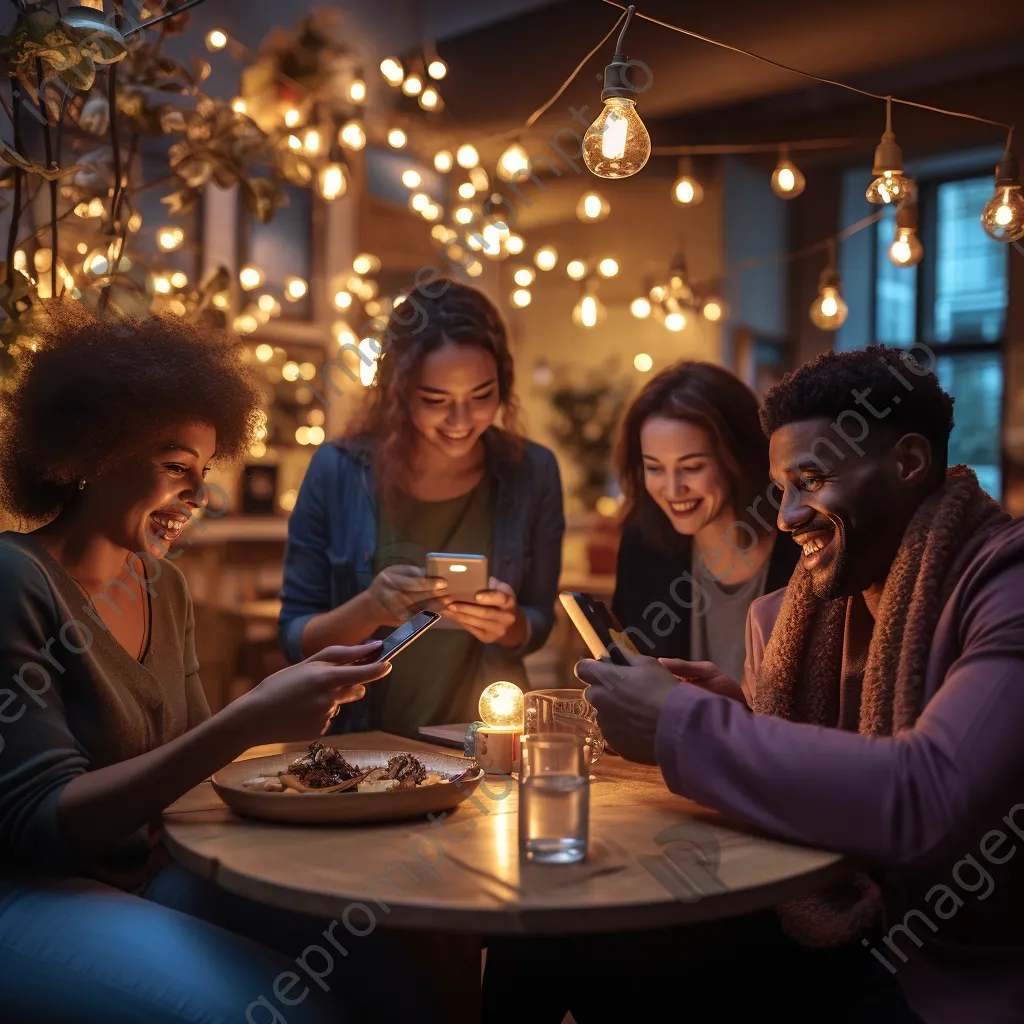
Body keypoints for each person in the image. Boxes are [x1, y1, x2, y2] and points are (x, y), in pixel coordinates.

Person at [0, 306, 442, 1024]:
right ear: (88, 451)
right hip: (32, 893)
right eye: (177, 468)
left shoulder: (163, 586)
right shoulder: (15, 579)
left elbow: (199, 776)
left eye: (204, 473)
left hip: (147, 874)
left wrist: (287, 713)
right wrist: (251, 716)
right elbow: (47, 824)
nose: (199, 498)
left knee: (399, 977)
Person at [576, 345, 1024, 1023]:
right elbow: (835, 757)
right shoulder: (794, 612)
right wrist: (741, 713)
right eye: (782, 487)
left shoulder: (1007, 582)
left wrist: (684, 724)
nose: (786, 516)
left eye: (812, 480)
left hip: (955, 960)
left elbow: (929, 795)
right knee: (576, 945)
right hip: (843, 922)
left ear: (908, 463)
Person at [279, 278, 565, 739]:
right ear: (399, 390)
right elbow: (296, 638)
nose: (460, 421)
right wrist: (370, 607)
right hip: (356, 744)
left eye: (481, 397)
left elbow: (539, 621)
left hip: (483, 746)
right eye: (435, 401)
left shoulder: (532, 471)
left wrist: (507, 624)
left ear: (504, 386)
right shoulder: (337, 470)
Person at [611, 361, 799, 679]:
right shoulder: (642, 545)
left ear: (737, 458)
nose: (672, 489)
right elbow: (628, 671)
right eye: (654, 468)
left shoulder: (802, 540)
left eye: (693, 467)